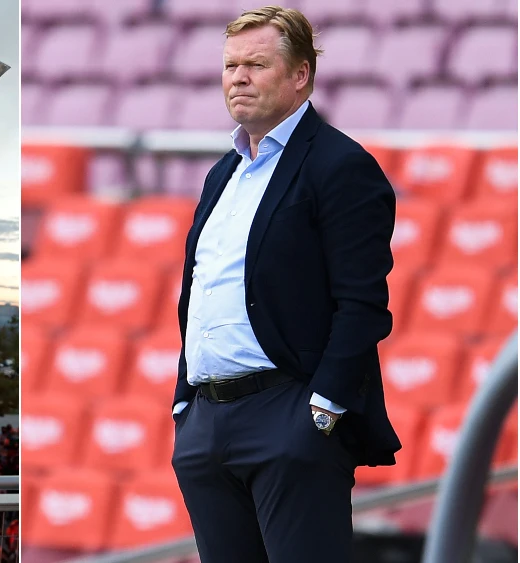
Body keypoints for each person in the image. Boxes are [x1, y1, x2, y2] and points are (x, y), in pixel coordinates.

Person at [169, 6, 402, 562]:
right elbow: (201, 291)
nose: (238, 78)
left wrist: (321, 412)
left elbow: (363, 303)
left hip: (290, 418)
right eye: (230, 66)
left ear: (300, 75)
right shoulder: (222, 172)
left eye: (256, 64)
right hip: (207, 424)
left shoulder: (341, 165)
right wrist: (185, 407)